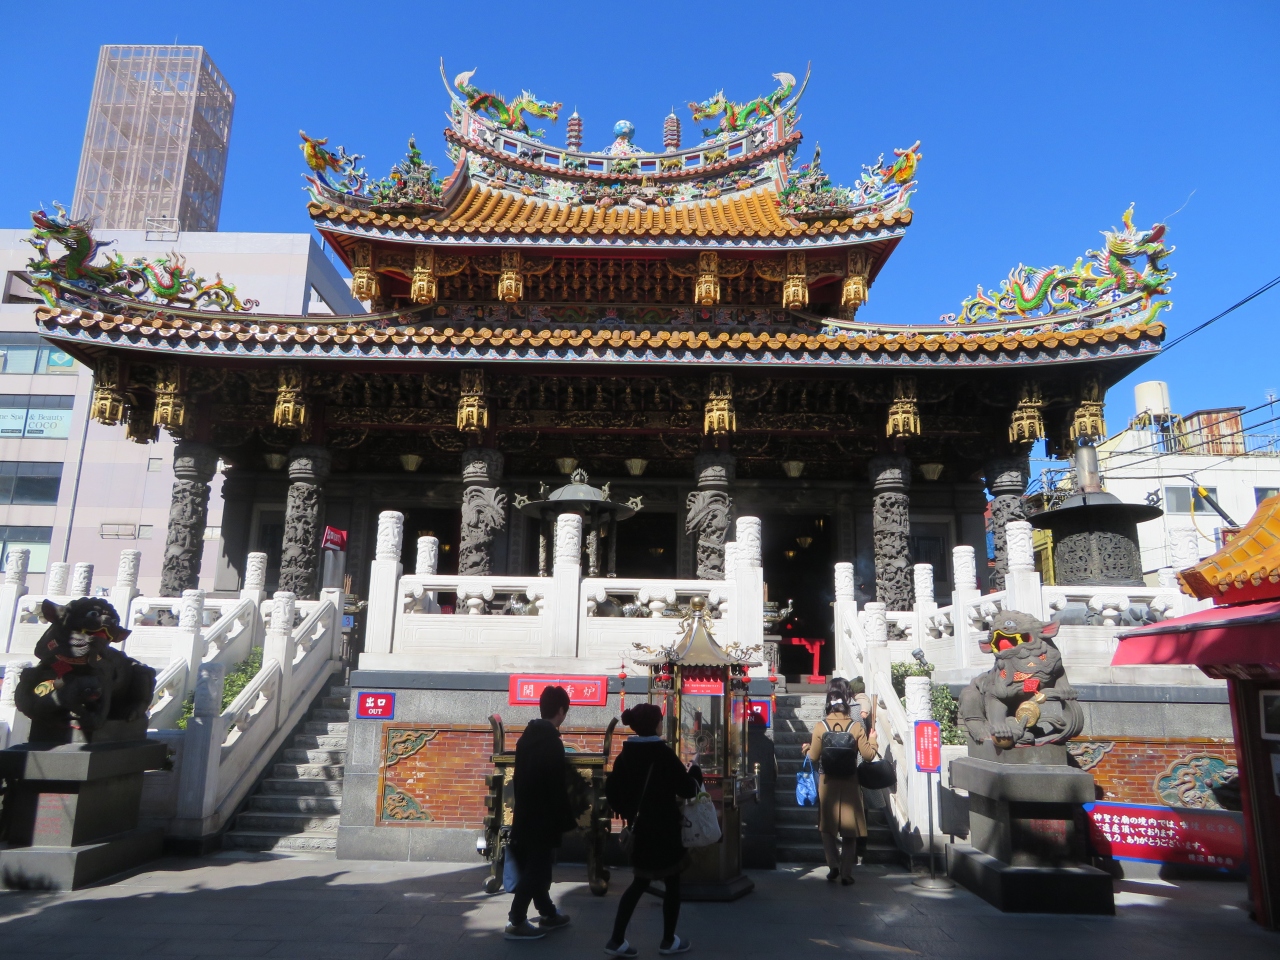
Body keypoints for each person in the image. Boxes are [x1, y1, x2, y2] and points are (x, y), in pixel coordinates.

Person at [604, 703, 701, 957]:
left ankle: (616, 939)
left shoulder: (625, 755)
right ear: (654, 724)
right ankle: (668, 940)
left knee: (639, 882)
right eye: (660, 720)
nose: (662, 724)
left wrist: (627, 812)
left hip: (641, 831)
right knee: (673, 883)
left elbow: (612, 791)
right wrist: (696, 775)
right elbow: (687, 789)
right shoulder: (663, 754)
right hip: (665, 830)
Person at [505, 685, 577, 940]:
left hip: (526, 812)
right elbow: (556, 787)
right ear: (560, 710)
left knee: (538, 866)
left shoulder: (527, 737)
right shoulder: (551, 743)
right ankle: (516, 920)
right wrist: (566, 818)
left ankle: (547, 913)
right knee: (536, 869)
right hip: (543, 817)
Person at [802, 677, 879, 885]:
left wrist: (806, 749)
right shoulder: (856, 727)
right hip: (850, 780)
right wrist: (873, 739)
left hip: (827, 781)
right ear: (846, 705)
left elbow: (813, 757)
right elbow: (869, 755)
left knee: (827, 827)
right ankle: (846, 872)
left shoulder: (820, 726)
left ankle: (833, 865)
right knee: (850, 830)